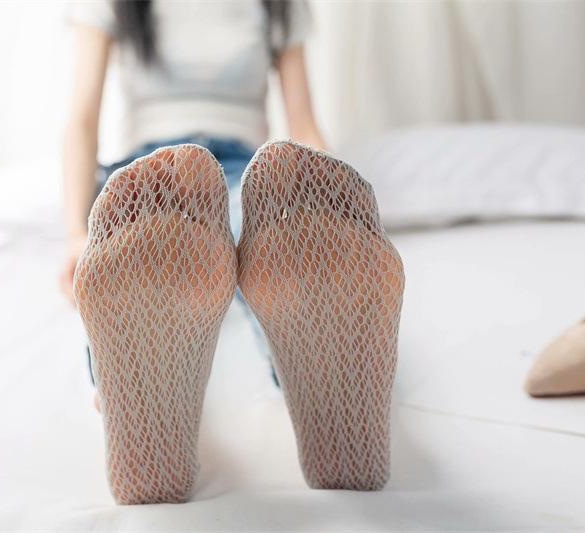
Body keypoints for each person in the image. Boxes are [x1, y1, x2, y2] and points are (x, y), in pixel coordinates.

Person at [62, 0, 405, 505]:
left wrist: (327, 199)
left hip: (246, 167)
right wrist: (75, 232)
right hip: (146, 178)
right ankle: (136, 401)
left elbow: (303, 122)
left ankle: (322, 383)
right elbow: (82, 119)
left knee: (274, 242)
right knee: (136, 251)